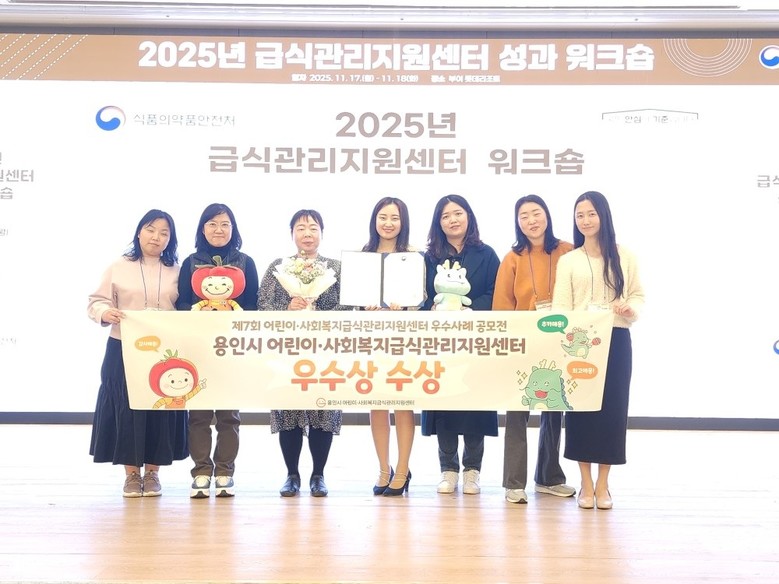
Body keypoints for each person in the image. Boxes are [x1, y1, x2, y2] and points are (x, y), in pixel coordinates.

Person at [552, 190, 644, 510]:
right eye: (580, 215)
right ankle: (585, 484)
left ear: (603, 216)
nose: (586, 220)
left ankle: (603, 484)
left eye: (591, 213)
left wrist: (630, 309)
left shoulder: (624, 256)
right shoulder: (568, 260)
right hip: (579, 344)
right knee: (580, 413)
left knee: (612, 412)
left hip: (616, 339)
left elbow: (637, 295)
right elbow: (561, 306)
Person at [88, 209, 188, 497]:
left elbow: (185, 308)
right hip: (123, 346)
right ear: (139, 232)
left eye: (164, 233)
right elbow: (96, 302)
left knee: (160, 406)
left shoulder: (177, 270)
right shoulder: (118, 266)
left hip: (164, 351)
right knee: (126, 406)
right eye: (151, 230)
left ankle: (153, 473)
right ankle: (131, 474)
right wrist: (105, 312)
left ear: (170, 239)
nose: (157, 237)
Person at [492, 195, 576, 504]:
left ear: (547, 216)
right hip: (524, 343)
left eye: (536, 213)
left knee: (555, 408)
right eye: (524, 216)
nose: (531, 220)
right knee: (517, 410)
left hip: (561, 340)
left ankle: (549, 478)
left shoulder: (568, 251)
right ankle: (514, 483)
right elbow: (502, 307)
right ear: (518, 222)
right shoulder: (512, 258)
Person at [258, 209, 347, 497]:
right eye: (300, 228)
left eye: (313, 228)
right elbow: (262, 306)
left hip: (326, 351)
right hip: (287, 352)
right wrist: (287, 308)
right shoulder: (278, 267)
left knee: (323, 410)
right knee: (288, 410)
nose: (307, 234)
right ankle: (292, 475)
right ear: (292, 234)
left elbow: (349, 306)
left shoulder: (336, 268)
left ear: (322, 233)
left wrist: (318, 314)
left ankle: (318, 475)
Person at [176, 203, 259, 498]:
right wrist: (200, 310)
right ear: (202, 229)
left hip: (231, 350)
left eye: (225, 224)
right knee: (198, 415)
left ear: (233, 229)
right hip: (198, 348)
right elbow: (181, 304)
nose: (219, 230)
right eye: (212, 224)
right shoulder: (190, 262)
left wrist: (232, 314)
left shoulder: (246, 262)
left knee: (229, 416)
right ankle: (200, 471)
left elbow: (253, 306)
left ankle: (225, 471)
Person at [421, 194, 500, 495]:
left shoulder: (487, 254)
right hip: (440, 343)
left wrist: (470, 309)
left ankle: (472, 470)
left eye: (457, 213)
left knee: (475, 406)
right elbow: (420, 295)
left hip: (476, 341)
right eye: (445, 216)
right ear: (438, 223)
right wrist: (432, 306)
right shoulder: (428, 257)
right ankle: (448, 469)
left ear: (468, 216)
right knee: (444, 406)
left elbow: (496, 292)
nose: (452, 220)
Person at [361, 197, 417, 497]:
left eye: (395, 218)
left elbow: (422, 299)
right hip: (372, 340)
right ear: (374, 220)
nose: (388, 223)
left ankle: (403, 468)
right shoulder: (364, 255)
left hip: (403, 340)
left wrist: (405, 306)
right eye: (383, 217)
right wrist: (364, 306)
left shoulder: (413, 256)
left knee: (403, 403)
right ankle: (384, 468)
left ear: (403, 222)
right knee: (377, 403)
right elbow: (353, 301)